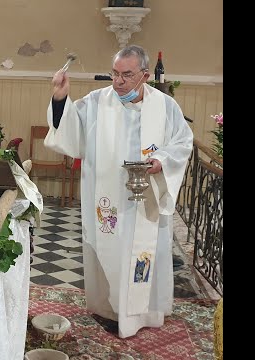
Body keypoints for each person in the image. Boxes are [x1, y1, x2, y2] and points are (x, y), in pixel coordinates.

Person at [44, 45, 193, 338]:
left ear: (145, 75)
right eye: (115, 74)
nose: (119, 81)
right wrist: (61, 98)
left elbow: (182, 142)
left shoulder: (165, 106)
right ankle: (109, 308)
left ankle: (144, 312)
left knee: (143, 252)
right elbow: (70, 134)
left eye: (127, 75)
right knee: (112, 251)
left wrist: (161, 160)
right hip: (108, 201)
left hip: (146, 198)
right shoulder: (96, 102)